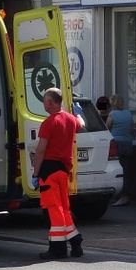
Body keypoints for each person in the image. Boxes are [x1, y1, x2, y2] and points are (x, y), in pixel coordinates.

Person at [31, 87, 83, 260]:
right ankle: (76, 242)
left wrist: (35, 174)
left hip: (49, 171)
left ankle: (58, 248)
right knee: (64, 209)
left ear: (50, 102)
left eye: (44, 100)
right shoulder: (70, 119)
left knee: (53, 210)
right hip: (63, 171)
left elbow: (40, 151)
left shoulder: (49, 122)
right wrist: (78, 114)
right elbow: (81, 124)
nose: (43, 103)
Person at [107, 95, 135, 206]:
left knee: (117, 170)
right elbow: (132, 128)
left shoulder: (112, 114)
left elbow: (107, 127)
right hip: (128, 143)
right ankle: (125, 195)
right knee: (126, 170)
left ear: (113, 103)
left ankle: (119, 196)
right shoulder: (128, 114)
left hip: (117, 143)